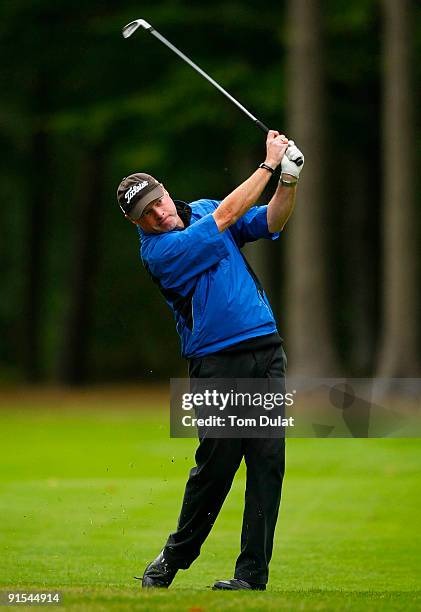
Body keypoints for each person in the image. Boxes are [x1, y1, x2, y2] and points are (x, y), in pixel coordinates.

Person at [116, 130, 304, 591]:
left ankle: (251, 576)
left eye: (157, 201)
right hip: (216, 362)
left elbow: (268, 223)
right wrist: (267, 164)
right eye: (147, 214)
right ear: (136, 223)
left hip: (265, 347)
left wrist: (289, 181)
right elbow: (228, 214)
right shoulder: (160, 252)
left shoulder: (198, 209)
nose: (159, 215)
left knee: (267, 462)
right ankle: (174, 557)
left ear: (164, 189)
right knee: (217, 466)